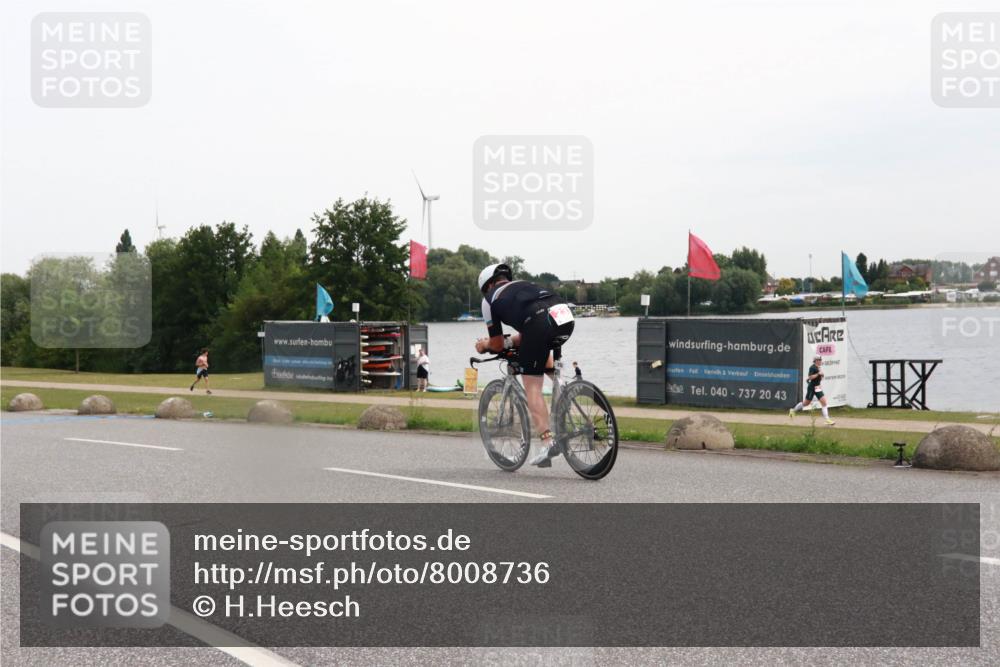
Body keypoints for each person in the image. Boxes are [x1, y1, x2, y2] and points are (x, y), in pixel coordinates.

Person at [474, 263, 575, 467]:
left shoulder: (489, 299)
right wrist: (509, 341)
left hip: (539, 323)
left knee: (532, 386)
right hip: (564, 316)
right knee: (538, 349)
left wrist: (484, 345)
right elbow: (530, 330)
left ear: (487, 286)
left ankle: (548, 442)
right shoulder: (524, 285)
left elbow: (496, 344)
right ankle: (566, 388)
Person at [789, 354, 834, 425]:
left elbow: (819, 378)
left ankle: (827, 420)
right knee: (806, 403)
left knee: (824, 402)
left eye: (821, 360)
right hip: (812, 388)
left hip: (817, 387)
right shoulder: (812, 367)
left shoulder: (818, 367)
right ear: (815, 360)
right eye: (819, 360)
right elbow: (810, 377)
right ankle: (793, 410)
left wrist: (822, 375)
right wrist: (818, 374)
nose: (820, 361)